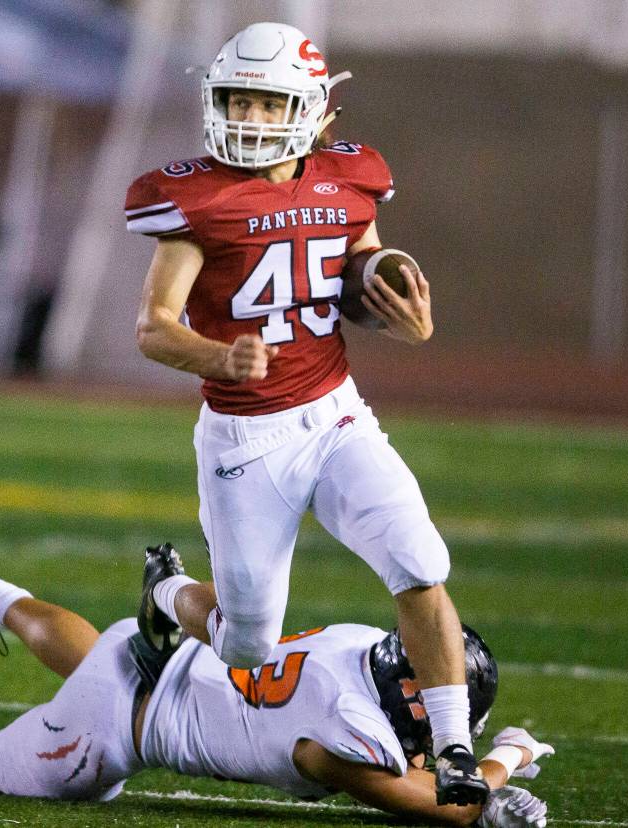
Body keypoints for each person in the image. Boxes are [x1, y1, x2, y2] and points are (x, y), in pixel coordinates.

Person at [125, 21, 483, 803]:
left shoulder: (351, 179)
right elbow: (154, 325)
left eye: (267, 102)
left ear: (317, 110)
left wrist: (406, 316)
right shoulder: (196, 197)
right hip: (245, 440)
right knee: (248, 648)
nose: (249, 119)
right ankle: (164, 591)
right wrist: (219, 357)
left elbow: (363, 278)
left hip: (333, 417)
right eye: (237, 101)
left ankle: (454, 747)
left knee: (419, 559)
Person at [0, 546, 554, 827]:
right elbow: (440, 806)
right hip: (119, 725)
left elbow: (412, 768)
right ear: (413, 695)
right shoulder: (344, 737)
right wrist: (507, 760)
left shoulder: (357, 648)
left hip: (162, 657)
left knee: (96, 652)